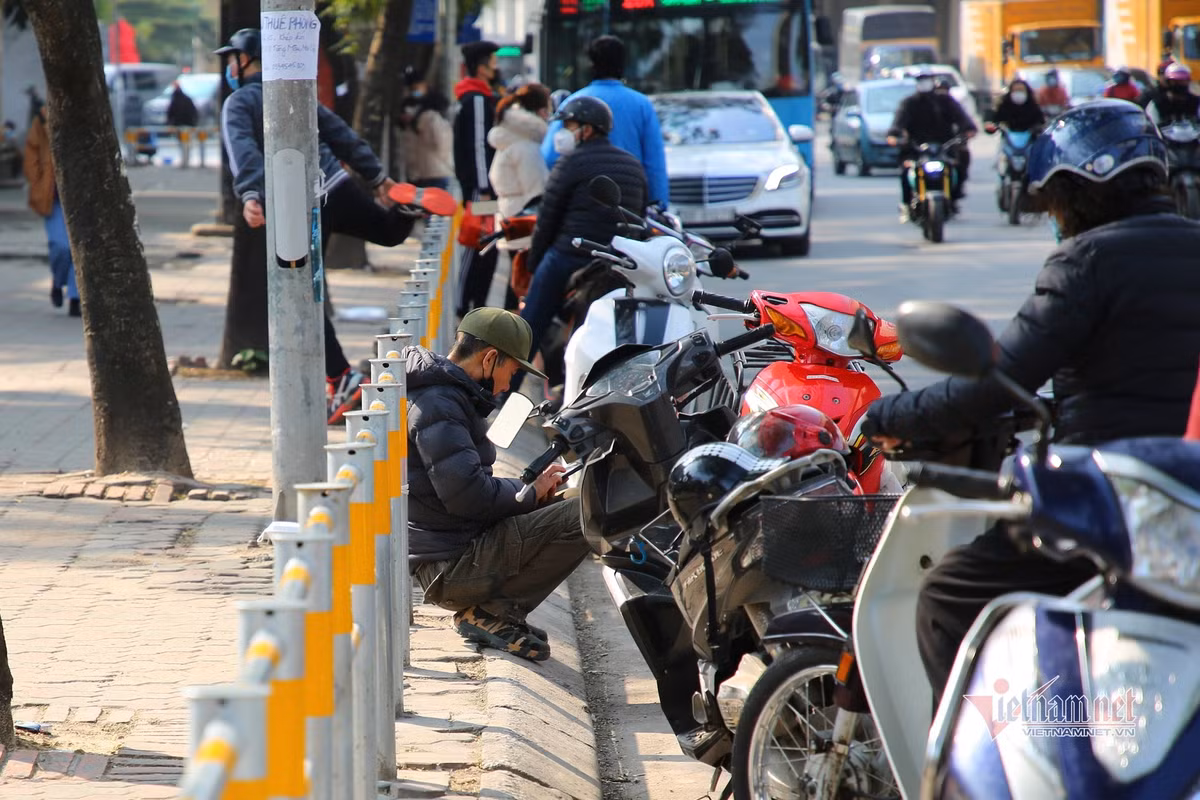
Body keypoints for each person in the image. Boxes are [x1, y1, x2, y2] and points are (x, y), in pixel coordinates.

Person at [863, 99, 1200, 704]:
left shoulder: (1085, 262)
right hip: (1187, 505)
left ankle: (976, 758)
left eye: (1053, 203)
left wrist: (890, 415)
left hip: (1108, 505)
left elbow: (995, 378)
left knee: (947, 595)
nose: (1054, 217)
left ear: (1074, 192)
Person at [216, 28, 432, 423]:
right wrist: (379, 178)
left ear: (246, 60)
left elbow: (242, 150)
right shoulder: (296, 93)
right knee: (386, 232)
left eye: (232, 59)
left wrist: (250, 195)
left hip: (297, 208)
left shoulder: (240, 102)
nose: (230, 67)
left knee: (304, 295)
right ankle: (406, 209)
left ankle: (341, 376)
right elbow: (341, 135)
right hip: (335, 184)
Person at [407, 307, 588, 661]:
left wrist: (533, 490)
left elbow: (466, 486)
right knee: (585, 514)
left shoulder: (448, 395)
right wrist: (529, 493)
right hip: (450, 568)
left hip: (457, 547)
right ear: (490, 359)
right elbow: (468, 496)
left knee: (574, 499)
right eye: (512, 372)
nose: (507, 385)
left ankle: (497, 611)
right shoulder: (439, 405)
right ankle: (489, 613)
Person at [515, 96, 647, 393]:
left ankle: (500, 393)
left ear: (587, 130)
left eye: (569, 125)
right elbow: (640, 217)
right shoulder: (632, 165)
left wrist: (534, 265)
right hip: (618, 264)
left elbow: (547, 221)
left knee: (528, 327)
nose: (563, 132)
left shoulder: (570, 163)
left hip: (569, 256)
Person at [540, 35, 669, 208]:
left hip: (583, 201)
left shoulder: (574, 103)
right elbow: (654, 165)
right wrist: (658, 205)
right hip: (630, 201)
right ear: (623, 65)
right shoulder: (641, 105)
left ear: (591, 64)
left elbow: (550, 156)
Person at [454, 41, 516, 316]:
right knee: (478, 243)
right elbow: (479, 146)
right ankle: (463, 305)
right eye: (492, 61)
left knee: (488, 246)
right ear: (481, 67)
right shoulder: (477, 99)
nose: (496, 66)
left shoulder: (479, 96)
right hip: (482, 189)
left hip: (484, 187)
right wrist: (484, 187)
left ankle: (475, 305)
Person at [886, 71, 977, 214]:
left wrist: (969, 129)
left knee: (959, 163)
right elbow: (898, 122)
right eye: (921, 81)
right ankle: (907, 203)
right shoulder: (909, 103)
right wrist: (893, 135)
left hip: (944, 146)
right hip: (916, 147)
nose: (924, 84)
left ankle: (953, 197)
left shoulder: (945, 101)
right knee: (906, 170)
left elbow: (962, 118)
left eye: (927, 81)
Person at [23, 104, 79, 318]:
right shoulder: (43, 117)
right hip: (53, 197)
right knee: (61, 246)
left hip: (80, 197)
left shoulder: (88, 112)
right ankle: (58, 281)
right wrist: (37, 181)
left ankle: (75, 298)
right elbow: (31, 152)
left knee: (77, 250)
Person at [488, 83, 552, 218]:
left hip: (509, 214)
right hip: (523, 221)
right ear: (540, 111)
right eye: (547, 111)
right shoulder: (527, 146)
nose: (548, 117)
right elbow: (537, 194)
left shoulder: (511, 137)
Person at [403, 82, 455, 192]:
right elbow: (441, 143)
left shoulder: (420, 119)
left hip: (422, 172)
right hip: (437, 172)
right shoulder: (433, 118)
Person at [1146, 62, 1200, 127]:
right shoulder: (1157, 104)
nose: (1180, 84)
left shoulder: (1196, 102)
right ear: (1168, 82)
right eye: (1175, 81)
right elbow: (1151, 126)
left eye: (1183, 81)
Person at [165, 80, 199, 167]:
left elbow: (170, 112)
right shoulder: (186, 98)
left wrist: (169, 123)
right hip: (188, 124)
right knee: (187, 144)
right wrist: (194, 124)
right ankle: (186, 160)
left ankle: (185, 161)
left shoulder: (175, 99)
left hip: (179, 124)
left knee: (182, 144)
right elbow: (194, 112)